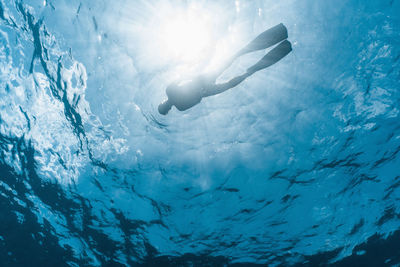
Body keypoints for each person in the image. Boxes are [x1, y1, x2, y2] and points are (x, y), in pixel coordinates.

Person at [158, 23, 292, 115]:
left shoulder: (177, 103)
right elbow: (185, 77)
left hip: (204, 88)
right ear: (163, 103)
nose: (167, 106)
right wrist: (197, 77)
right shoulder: (170, 91)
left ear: (167, 109)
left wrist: (198, 86)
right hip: (202, 82)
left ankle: (250, 71)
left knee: (231, 78)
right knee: (233, 58)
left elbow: (196, 98)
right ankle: (249, 69)